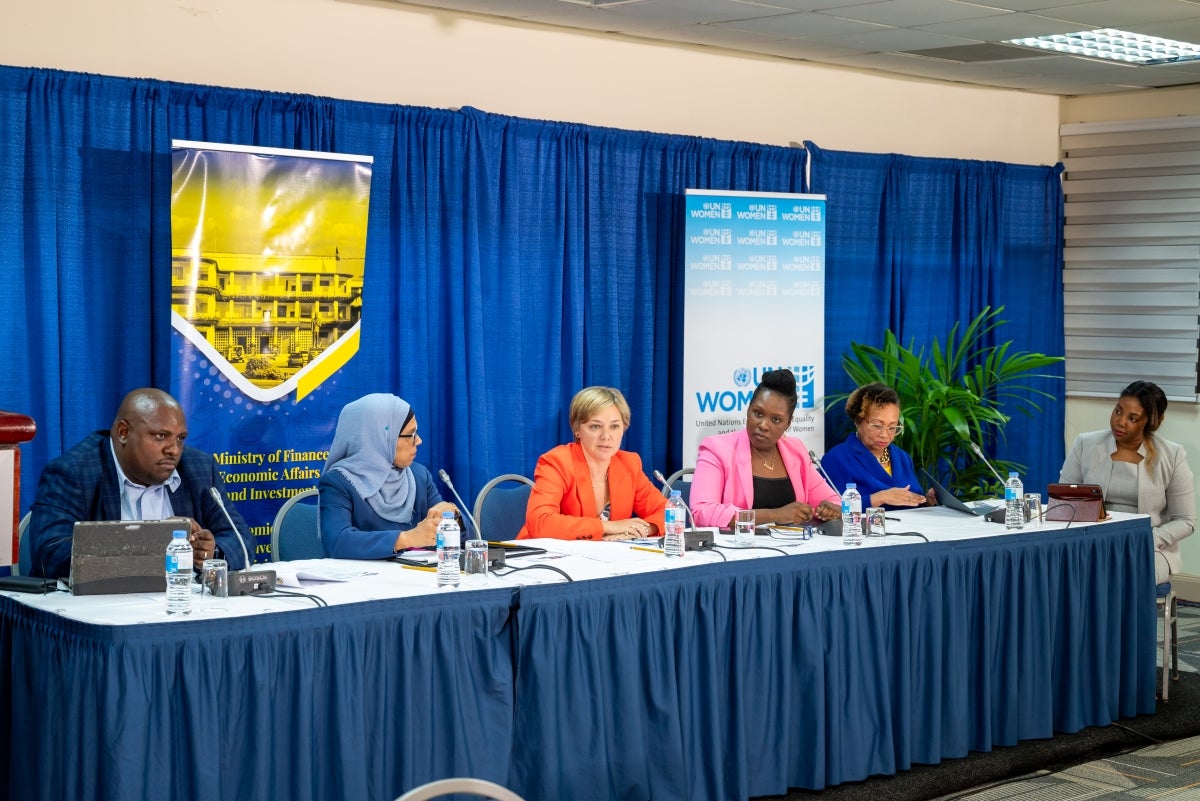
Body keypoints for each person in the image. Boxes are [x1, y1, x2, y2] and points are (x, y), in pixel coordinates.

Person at [27, 388, 252, 579]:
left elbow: (241, 540)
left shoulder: (199, 468)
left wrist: (212, 554)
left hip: (181, 605)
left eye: (180, 438)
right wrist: (153, 543)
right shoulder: (74, 473)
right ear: (123, 433)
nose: (173, 450)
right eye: (160, 436)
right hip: (102, 611)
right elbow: (49, 554)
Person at [1060, 380, 1194, 584]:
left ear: (1149, 423)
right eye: (1118, 411)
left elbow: (1186, 520)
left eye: (1132, 418)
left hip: (1149, 547)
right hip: (1093, 543)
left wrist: (1147, 539)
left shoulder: (1172, 455)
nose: (1120, 421)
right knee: (1071, 574)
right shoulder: (1085, 444)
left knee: (1126, 577)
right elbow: (1063, 503)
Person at [691, 369, 840, 529]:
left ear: (788, 424)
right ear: (748, 410)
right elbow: (702, 511)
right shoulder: (717, 449)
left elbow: (833, 501)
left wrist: (831, 510)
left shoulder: (795, 451)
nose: (763, 425)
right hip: (737, 550)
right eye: (758, 413)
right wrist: (775, 515)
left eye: (776, 419)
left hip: (793, 548)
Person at [318, 393, 457, 559]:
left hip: (417, 580)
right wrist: (407, 538)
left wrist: (452, 515)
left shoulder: (418, 476)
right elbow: (338, 542)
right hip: (362, 582)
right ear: (381, 438)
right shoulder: (338, 482)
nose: (419, 441)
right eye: (411, 435)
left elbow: (465, 539)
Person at [520, 386, 667, 540]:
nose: (606, 436)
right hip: (543, 558)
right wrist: (607, 527)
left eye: (614, 426)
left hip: (604, 559)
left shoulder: (628, 463)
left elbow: (668, 511)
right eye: (595, 426)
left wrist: (640, 530)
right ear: (577, 429)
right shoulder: (557, 462)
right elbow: (540, 523)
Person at [821, 382, 936, 510]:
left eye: (892, 427)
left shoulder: (902, 457)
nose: (885, 434)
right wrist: (880, 497)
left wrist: (927, 501)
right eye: (877, 425)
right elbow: (833, 509)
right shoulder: (837, 459)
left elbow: (911, 501)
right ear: (857, 422)